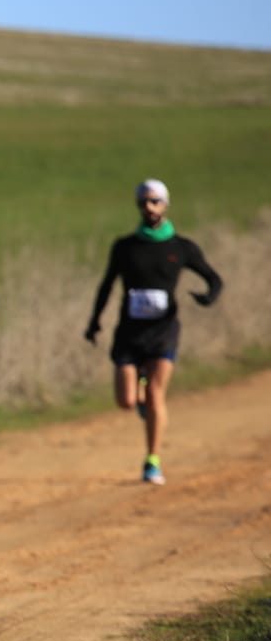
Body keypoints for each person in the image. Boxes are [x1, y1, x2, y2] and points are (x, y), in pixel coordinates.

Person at [85, 179, 223, 485]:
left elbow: (214, 278)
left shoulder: (181, 248)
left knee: (156, 395)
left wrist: (209, 296)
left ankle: (152, 461)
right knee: (126, 401)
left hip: (163, 331)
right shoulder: (125, 248)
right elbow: (106, 285)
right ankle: (142, 392)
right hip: (129, 333)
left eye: (155, 201)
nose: (149, 207)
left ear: (165, 204)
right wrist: (94, 321)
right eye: (144, 202)